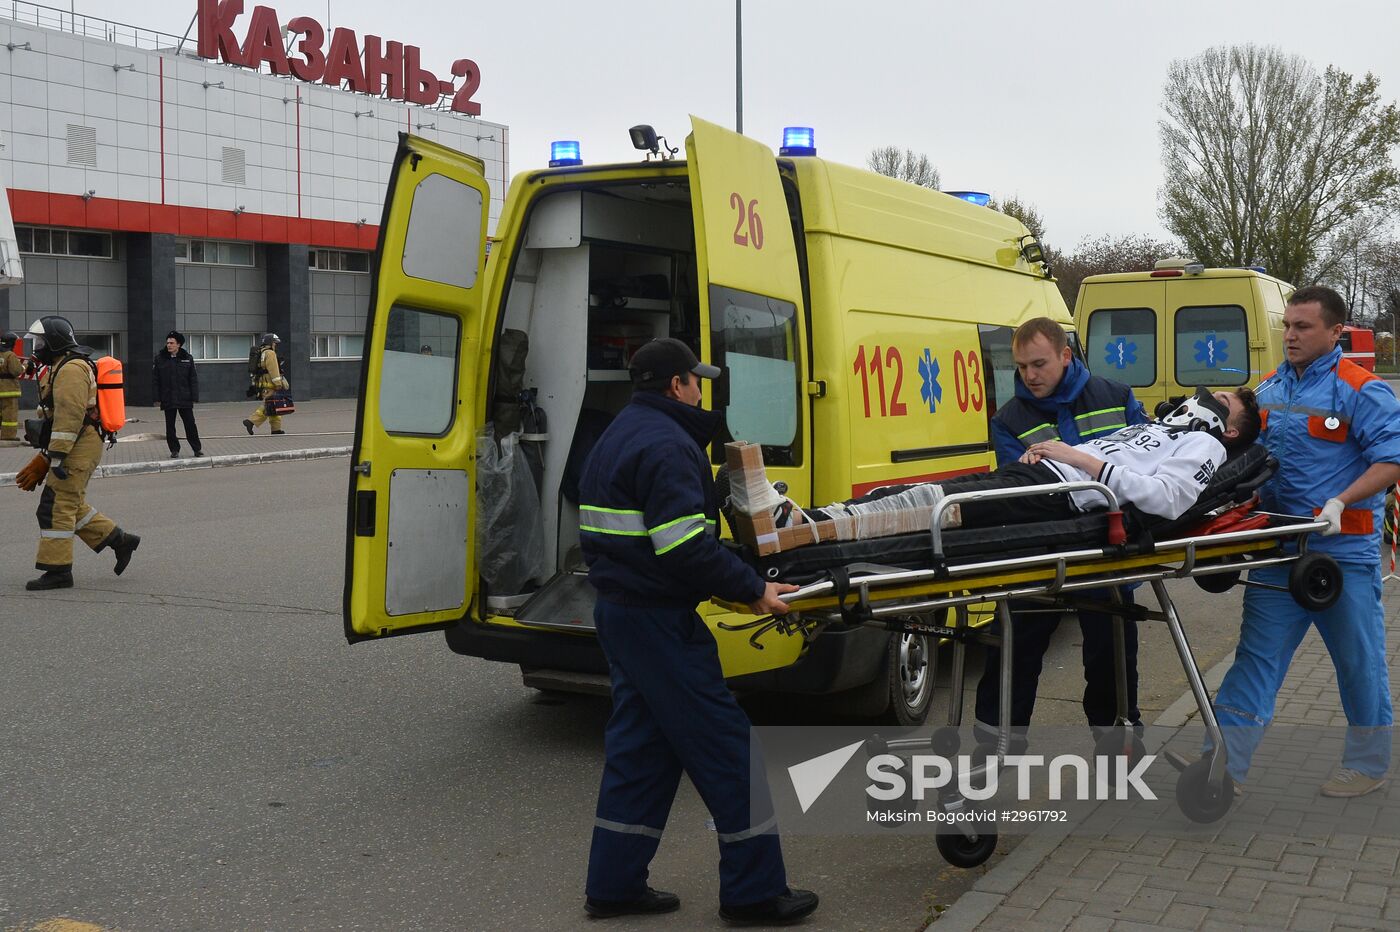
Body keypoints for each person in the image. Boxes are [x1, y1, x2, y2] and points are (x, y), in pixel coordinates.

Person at [577, 337, 819, 926]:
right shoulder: (669, 445)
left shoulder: (623, 433)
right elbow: (683, 545)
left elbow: (648, 521)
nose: (700, 388)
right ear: (674, 386)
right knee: (728, 750)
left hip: (621, 611)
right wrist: (753, 588)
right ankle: (755, 893)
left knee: (641, 751)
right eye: (695, 380)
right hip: (659, 623)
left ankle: (613, 885)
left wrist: (710, 496)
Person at [1212, 285, 1400, 798]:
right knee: (1256, 657)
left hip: (1343, 558)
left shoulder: (1363, 390)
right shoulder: (1268, 390)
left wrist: (1341, 501)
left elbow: (1391, 460)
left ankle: (1366, 766)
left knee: (1358, 661)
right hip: (1279, 552)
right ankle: (1221, 767)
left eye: (1303, 327)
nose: (1289, 336)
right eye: (1287, 326)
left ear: (1336, 331)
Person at [972, 318, 1149, 744]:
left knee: (1112, 661)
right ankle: (993, 757)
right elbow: (1022, 491)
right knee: (1012, 656)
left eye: (1039, 364)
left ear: (1065, 355)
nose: (1030, 376)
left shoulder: (1116, 397)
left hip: (1108, 553)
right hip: (1043, 551)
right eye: (1021, 366)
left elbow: (1146, 463)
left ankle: (1119, 750)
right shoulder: (1010, 419)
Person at [760, 387, 1259, 533]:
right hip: (1044, 474)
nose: (1205, 398)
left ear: (1230, 427)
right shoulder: (1159, 429)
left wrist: (1079, 462)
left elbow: (1170, 500)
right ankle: (811, 518)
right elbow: (1110, 452)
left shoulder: (1207, 446)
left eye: (1220, 399)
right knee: (932, 495)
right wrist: (1051, 452)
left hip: (1058, 495)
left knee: (937, 506)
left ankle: (806, 526)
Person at [18, 316, 140, 591]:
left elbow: (70, 417)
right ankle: (121, 541)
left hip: (77, 446)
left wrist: (53, 456)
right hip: (77, 443)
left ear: (55, 342)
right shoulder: (61, 366)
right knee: (68, 502)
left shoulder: (71, 369)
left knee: (55, 506)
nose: (37, 347)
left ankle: (58, 571)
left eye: (41, 342)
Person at [153, 330, 203, 458]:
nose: (169, 345)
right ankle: (174, 450)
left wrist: (194, 397)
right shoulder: (160, 359)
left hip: (184, 398)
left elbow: (193, 379)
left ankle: (197, 449)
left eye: (172, 343)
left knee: (190, 424)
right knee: (170, 426)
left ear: (178, 344)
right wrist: (157, 398)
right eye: (168, 343)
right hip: (168, 398)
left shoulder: (187, 358)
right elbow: (156, 380)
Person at [242, 332, 289, 436]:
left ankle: (276, 429)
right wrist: (278, 383)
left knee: (274, 406)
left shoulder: (262, 353)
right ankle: (251, 421)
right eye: (275, 343)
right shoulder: (270, 353)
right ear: (270, 343)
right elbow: (273, 369)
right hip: (271, 385)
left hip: (264, 384)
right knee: (268, 406)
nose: (276, 345)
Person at [0, 331, 23, 440]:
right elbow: (16, 371)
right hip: (9, 390)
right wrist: (24, 367)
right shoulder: (10, 355)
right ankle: (8, 436)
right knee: (9, 415)